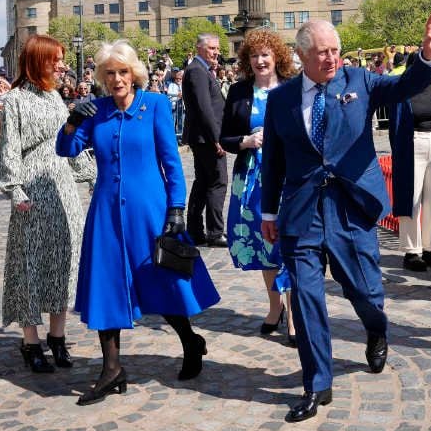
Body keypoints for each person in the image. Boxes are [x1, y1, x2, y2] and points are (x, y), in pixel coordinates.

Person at [260, 17, 431, 423]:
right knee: (307, 297)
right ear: (302, 56)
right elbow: (273, 160)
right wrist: (269, 211)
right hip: (302, 211)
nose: (331, 59)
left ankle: (376, 327)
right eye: (321, 53)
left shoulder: (361, 81)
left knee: (364, 290)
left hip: (351, 207)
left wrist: (428, 56)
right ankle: (317, 384)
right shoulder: (282, 100)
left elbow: (404, 87)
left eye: (335, 51)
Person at [56, 40, 220, 405]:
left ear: (135, 74)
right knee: (107, 285)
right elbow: (66, 150)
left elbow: (171, 162)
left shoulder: (156, 105)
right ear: (101, 77)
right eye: (110, 73)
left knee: (162, 282)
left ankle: (190, 340)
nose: (117, 79)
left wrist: (177, 207)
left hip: (151, 209)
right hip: (107, 214)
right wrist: (73, 120)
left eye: (123, 72)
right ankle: (112, 369)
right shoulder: (95, 110)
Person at [0, 34, 92, 373]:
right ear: (39, 60)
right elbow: (8, 149)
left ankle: (57, 336)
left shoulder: (55, 97)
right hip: (33, 192)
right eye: (55, 58)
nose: (60, 64)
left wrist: (91, 173)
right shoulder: (15, 100)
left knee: (63, 262)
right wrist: (15, 189)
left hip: (63, 188)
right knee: (30, 265)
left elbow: (69, 142)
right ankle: (31, 340)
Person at [220, 29, 298, 345]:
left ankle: (294, 314)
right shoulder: (239, 92)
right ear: (247, 60)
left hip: (286, 177)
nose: (260, 60)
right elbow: (224, 137)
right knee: (263, 243)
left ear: (276, 56)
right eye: (254, 55)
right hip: (250, 179)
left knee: (288, 244)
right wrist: (246, 141)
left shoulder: (293, 88)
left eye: (265, 54)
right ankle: (273, 307)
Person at [388, 55, 431, 272]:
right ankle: (411, 250)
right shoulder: (402, 91)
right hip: (412, 143)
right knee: (413, 198)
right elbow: (395, 126)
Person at [182, 33, 228, 247]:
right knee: (217, 182)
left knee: (203, 183)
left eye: (217, 48)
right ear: (199, 48)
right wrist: (216, 138)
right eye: (212, 48)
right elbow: (204, 108)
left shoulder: (200, 70)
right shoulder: (197, 71)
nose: (216, 52)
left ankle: (195, 229)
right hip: (206, 138)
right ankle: (215, 232)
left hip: (202, 137)